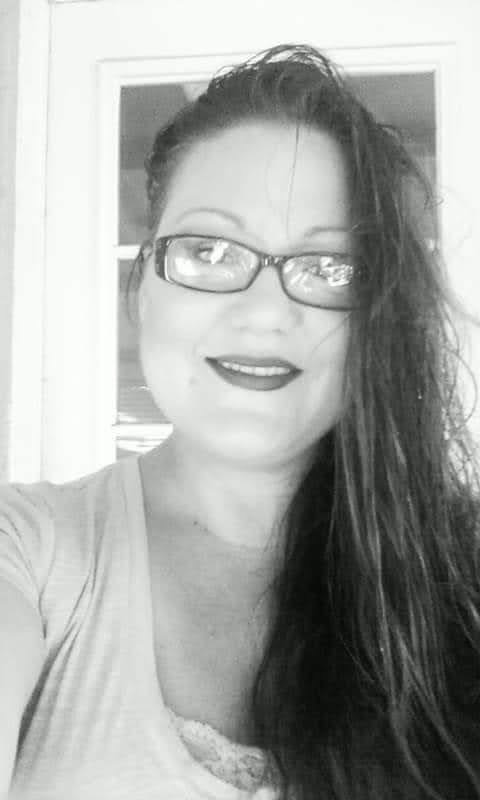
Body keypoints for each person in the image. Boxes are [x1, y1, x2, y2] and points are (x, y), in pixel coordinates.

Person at [1, 43, 480, 800]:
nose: (264, 312)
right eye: (209, 250)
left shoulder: (459, 571)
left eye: (328, 267)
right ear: (143, 288)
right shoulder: (27, 551)